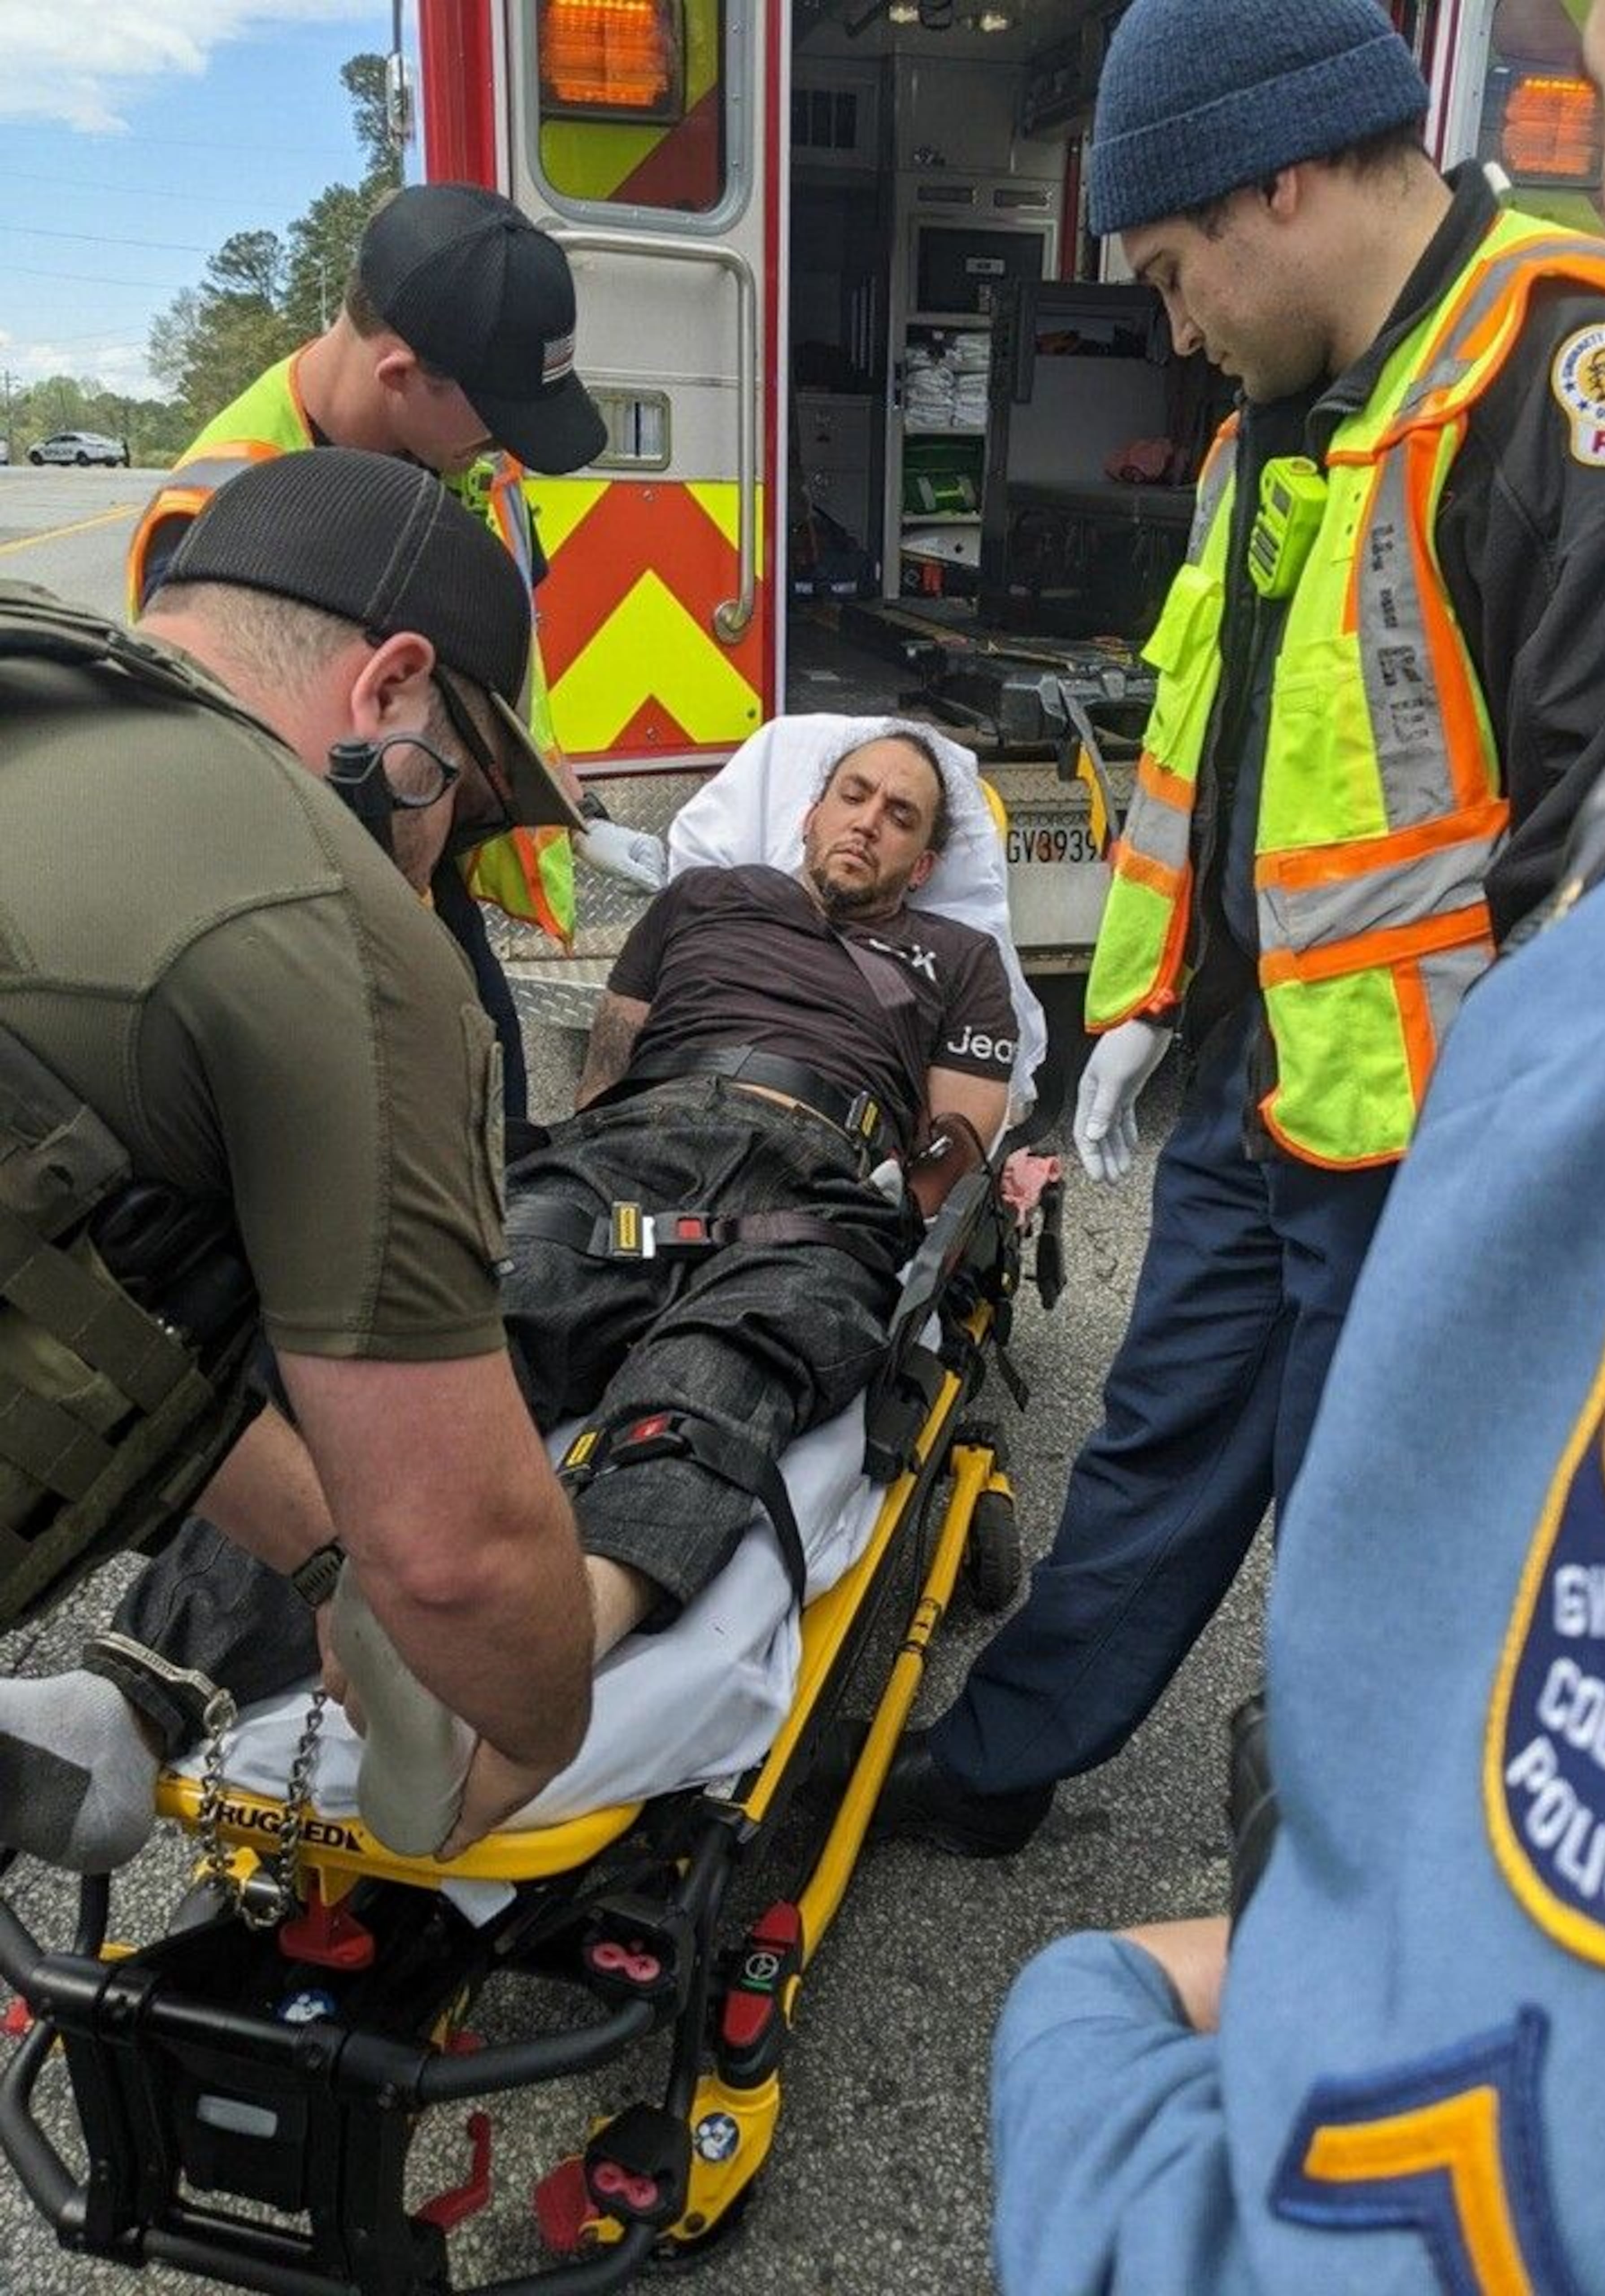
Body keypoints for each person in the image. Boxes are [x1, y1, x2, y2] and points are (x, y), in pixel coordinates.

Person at [992, 2, 1605, 2288]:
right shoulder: (1288, 415)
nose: (1166, 313)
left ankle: (1347, 1966)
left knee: (1392, 1573)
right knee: (1154, 1442)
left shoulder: (1563, 362)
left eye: (1175, 260)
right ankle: (995, 1754)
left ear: (1285, 185)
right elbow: (1222, 750)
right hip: (1258, 1080)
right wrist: (1132, 1012)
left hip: (1435, 1137)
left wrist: (1516, 1183)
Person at [0, 729, 1019, 1870]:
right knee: (444, 1350)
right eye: (854, 795)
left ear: (925, 860)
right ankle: (122, 1708)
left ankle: (523, 1662)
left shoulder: (959, 957)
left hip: (824, 1183)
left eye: (902, 816)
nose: (869, 822)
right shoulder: (706, 900)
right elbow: (608, 1067)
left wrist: (879, 1237)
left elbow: (953, 1165)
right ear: (811, 808)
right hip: (643, 1138)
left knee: (712, 1384)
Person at [0, 447, 600, 1871]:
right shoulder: (329, 923)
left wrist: (330, 1554)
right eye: (461, 788)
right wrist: (533, 1731)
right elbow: (458, 1559)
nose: (441, 855)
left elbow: (89, 1292)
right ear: (391, 691)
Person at [128, 181, 666, 1135]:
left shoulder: (465, 455)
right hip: (321, 922)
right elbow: (239, 806)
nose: (509, 449)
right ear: (401, 376)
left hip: (430, 876)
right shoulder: (227, 517)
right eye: (497, 419)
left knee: (490, 1098)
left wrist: (536, 772)